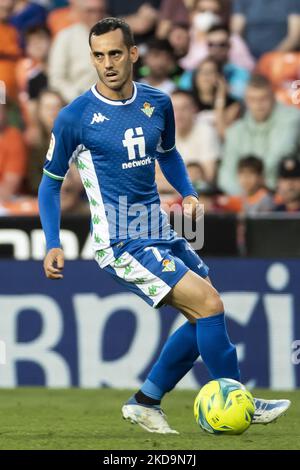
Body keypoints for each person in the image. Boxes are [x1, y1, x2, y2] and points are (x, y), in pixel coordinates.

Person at [38, 17, 290, 434]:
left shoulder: (159, 102)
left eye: (115, 53)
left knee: (201, 314)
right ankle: (237, 396)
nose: (107, 64)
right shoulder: (74, 117)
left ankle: (146, 401)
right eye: (98, 56)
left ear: (133, 54)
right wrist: (52, 241)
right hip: (120, 242)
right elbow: (49, 185)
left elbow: (168, 153)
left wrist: (188, 191)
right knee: (209, 305)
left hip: (156, 228)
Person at [219, 75, 300, 194]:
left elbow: (279, 155)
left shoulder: (292, 118)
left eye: (263, 99)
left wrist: (259, 192)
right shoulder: (235, 131)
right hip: (246, 200)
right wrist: (248, 199)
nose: (258, 105)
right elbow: (226, 177)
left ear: (273, 97)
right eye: (253, 100)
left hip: (284, 197)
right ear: (246, 101)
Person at [48, 0, 107, 103]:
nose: (96, 15)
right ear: (80, 12)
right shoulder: (66, 37)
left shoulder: (116, 35)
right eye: (90, 11)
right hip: (78, 102)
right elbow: (56, 78)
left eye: (100, 10)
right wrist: (78, 97)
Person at [171, 89, 220, 181]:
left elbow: (208, 177)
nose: (178, 115)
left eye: (184, 108)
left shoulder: (206, 131)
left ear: (194, 110)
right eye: (174, 109)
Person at [231, 0, 300, 60]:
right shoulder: (243, 1)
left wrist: (270, 58)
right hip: (248, 59)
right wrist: (245, 57)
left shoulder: (292, 1)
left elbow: (294, 37)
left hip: (279, 60)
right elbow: (236, 33)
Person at [191, 56, 241, 139]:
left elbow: (222, 133)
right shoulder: (187, 100)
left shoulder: (233, 104)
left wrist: (221, 96)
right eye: (202, 72)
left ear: (219, 77)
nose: (205, 77)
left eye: (210, 72)